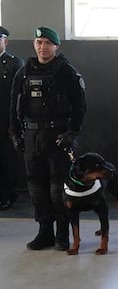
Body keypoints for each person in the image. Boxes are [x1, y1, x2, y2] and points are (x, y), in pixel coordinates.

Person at [9, 27, 87, 250]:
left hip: (57, 137)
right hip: (32, 137)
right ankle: (45, 232)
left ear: (56, 46)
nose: (42, 47)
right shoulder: (23, 72)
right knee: (36, 187)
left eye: (47, 43)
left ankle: (62, 233)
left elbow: (80, 106)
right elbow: (13, 107)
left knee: (57, 188)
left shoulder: (66, 71)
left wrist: (72, 133)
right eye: (38, 42)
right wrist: (14, 134)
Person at [0, 26, 24, 211]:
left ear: (5, 42)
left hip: (5, 120)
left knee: (6, 159)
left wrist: (15, 123)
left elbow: (19, 96)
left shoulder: (15, 64)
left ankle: (7, 194)